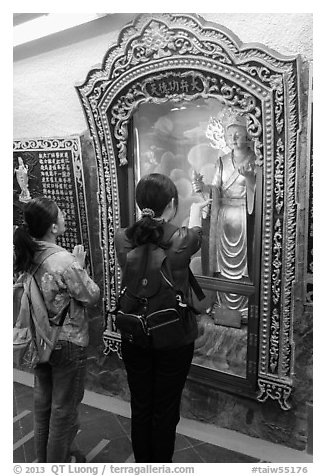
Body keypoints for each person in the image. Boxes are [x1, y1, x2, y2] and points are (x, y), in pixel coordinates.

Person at [114, 173, 210, 463]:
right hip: (173, 338)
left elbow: (145, 238)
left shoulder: (122, 237)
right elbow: (196, 234)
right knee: (166, 410)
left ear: (139, 203)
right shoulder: (180, 240)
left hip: (134, 333)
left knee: (141, 405)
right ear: (171, 204)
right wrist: (196, 211)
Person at [13, 197, 100, 463]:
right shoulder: (64, 260)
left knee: (43, 408)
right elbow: (91, 295)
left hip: (39, 340)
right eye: (61, 214)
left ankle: (43, 462)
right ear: (52, 226)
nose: (64, 217)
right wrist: (79, 265)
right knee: (63, 413)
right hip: (67, 341)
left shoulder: (28, 255)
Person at [193, 114, 256, 320]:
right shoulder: (221, 161)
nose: (234, 139)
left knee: (243, 266)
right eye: (230, 135)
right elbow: (215, 189)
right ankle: (222, 305)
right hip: (223, 218)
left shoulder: (256, 159)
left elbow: (260, 193)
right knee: (223, 266)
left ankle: (244, 309)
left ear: (248, 135)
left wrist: (249, 179)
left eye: (238, 134)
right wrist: (202, 187)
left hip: (245, 218)